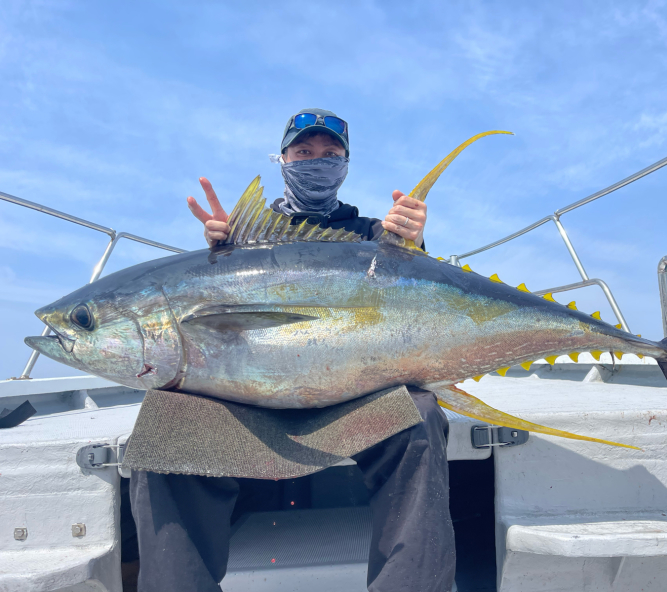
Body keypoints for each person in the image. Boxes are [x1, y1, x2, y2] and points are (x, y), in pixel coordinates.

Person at [130, 108, 456, 592]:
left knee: (420, 415)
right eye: (304, 152)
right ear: (282, 160)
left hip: (352, 397)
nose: (317, 161)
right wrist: (221, 252)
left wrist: (416, 242)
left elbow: (425, 302)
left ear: (346, 165)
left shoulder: (375, 238)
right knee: (165, 427)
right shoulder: (239, 240)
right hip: (244, 402)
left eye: (331, 154)